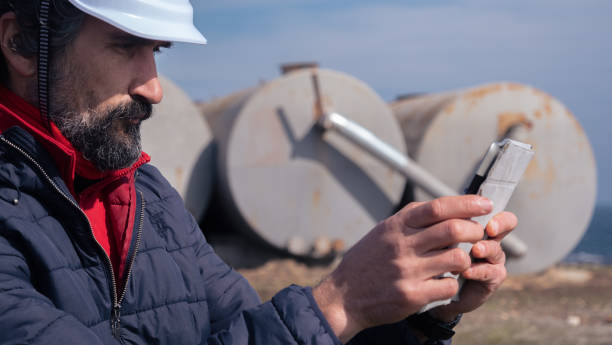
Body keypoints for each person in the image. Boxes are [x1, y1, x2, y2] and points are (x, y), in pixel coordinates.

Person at [0, 1, 517, 344]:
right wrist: (341, 301)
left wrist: (419, 314)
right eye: (124, 46)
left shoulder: (146, 197)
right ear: (21, 43)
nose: (153, 88)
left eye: (156, 52)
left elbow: (248, 330)